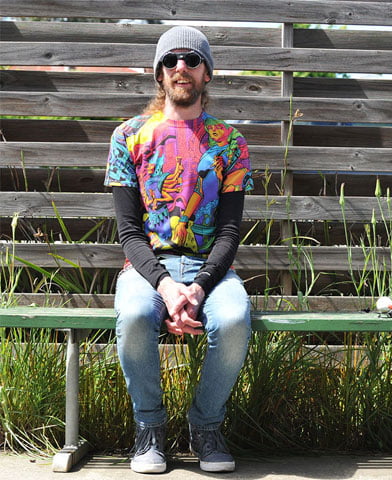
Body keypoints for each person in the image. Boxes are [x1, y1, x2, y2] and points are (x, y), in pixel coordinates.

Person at [104, 25, 253, 474]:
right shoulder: (128, 137)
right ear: (159, 74)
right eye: (170, 61)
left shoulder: (230, 143)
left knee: (232, 318)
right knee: (133, 315)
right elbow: (129, 232)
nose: (180, 68)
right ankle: (148, 429)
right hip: (148, 268)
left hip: (211, 268)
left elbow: (229, 232)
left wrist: (201, 286)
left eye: (191, 59)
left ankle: (206, 426)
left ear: (208, 72)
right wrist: (168, 287)